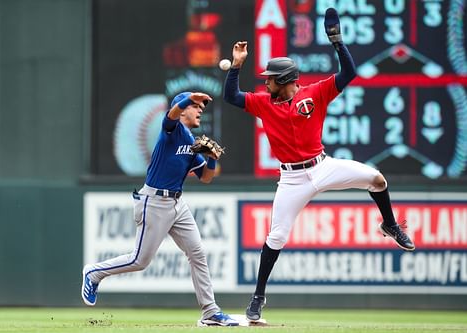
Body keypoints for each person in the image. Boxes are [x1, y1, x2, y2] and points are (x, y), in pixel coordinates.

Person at [223, 8, 415, 321]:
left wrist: (337, 42)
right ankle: (258, 298)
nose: (266, 82)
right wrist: (236, 66)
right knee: (277, 237)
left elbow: (348, 74)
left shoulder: (315, 93)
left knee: (377, 179)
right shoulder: (262, 102)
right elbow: (231, 96)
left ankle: (389, 224)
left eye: (270, 79)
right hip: (291, 180)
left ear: (284, 80)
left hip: (322, 166)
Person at [81, 91, 239, 327]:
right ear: (183, 109)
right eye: (196, 107)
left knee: (198, 254)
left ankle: (210, 312)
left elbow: (206, 178)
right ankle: (94, 272)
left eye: (199, 107)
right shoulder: (172, 131)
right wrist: (190, 98)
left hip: (177, 204)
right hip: (153, 202)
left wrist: (212, 158)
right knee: (140, 260)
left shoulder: (192, 142)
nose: (200, 111)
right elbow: (171, 115)